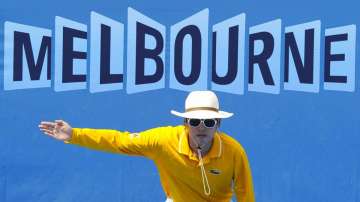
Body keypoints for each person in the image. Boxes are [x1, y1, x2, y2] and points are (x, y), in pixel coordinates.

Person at [39, 91, 255, 202]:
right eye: (194, 121)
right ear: (185, 123)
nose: (201, 127)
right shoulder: (162, 140)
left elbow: (246, 196)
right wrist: (74, 134)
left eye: (208, 122)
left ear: (218, 124)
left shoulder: (234, 151)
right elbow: (118, 141)